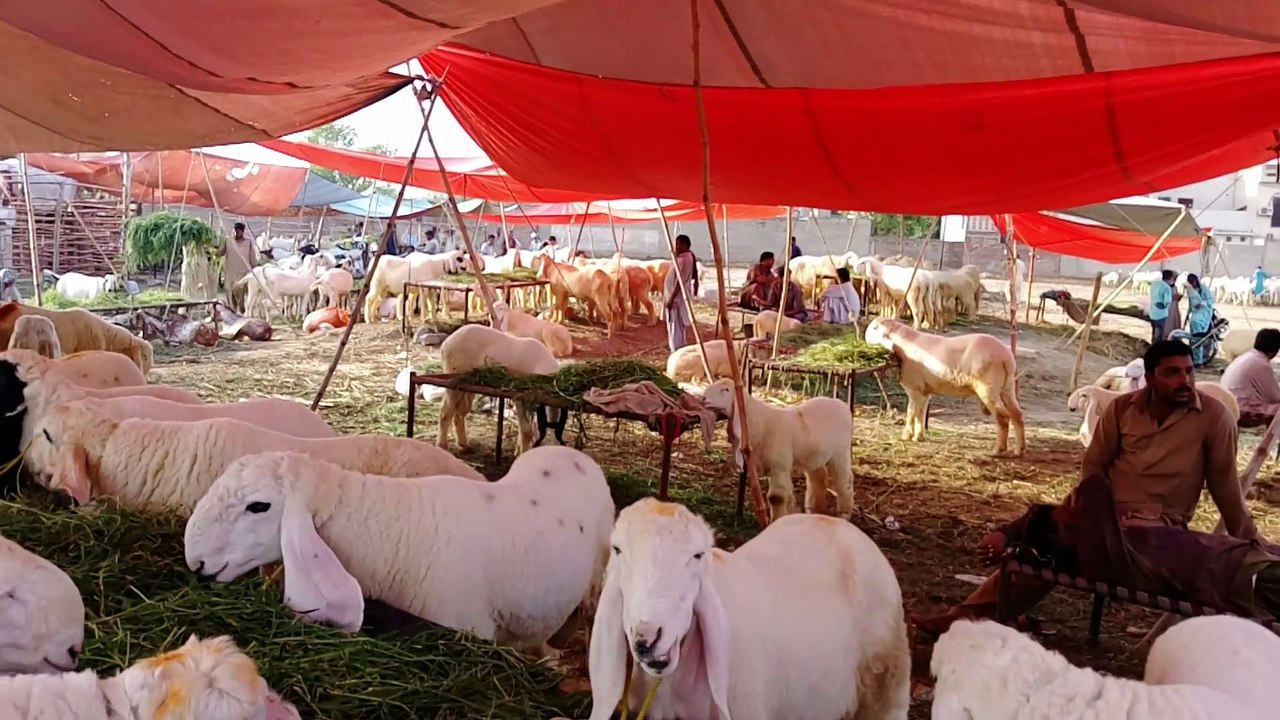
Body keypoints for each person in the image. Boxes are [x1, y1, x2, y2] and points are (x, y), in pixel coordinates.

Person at [912, 341, 1280, 636]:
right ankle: (967, 616)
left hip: (1156, 530)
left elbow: (1225, 489)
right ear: (1150, 378)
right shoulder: (1121, 410)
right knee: (1067, 527)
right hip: (1102, 518)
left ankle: (1013, 542)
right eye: (1172, 373)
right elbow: (1093, 471)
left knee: (1056, 541)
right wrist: (1090, 510)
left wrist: (1251, 540)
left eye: (1189, 371)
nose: (1184, 380)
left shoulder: (1214, 417)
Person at [1222, 328, 1280, 426]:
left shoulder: (1248, 356)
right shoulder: (1261, 364)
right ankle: (1272, 436)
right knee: (1277, 410)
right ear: (1274, 351)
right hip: (1241, 409)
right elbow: (1274, 397)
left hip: (1228, 403)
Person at [664, 234, 698, 351]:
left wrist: (672, 298)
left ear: (685, 245)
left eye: (678, 244)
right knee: (674, 326)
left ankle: (676, 349)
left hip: (676, 299)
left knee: (676, 326)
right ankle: (677, 348)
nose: (676, 247)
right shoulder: (682, 258)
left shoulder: (685, 260)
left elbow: (680, 282)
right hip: (673, 297)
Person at [220, 222, 255, 313]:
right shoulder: (228, 241)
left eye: (238, 232)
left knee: (241, 296)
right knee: (230, 295)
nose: (236, 234)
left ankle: (241, 311)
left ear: (242, 232)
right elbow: (220, 252)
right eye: (235, 231)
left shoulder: (248, 242)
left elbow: (253, 258)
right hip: (230, 272)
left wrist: (254, 269)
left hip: (243, 273)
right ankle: (232, 312)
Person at [1184, 273, 1215, 366]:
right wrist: (1187, 314)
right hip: (1195, 315)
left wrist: (1202, 304)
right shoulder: (1190, 290)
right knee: (1194, 338)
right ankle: (1194, 359)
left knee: (1199, 338)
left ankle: (1198, 360)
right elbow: (1191, 303)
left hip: (1204, 314)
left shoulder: (1204, 289)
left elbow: (1212, 300)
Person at [1147, 270, 1175, 344]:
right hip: (1161, 314)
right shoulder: (1167, 288)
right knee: (1160, 335)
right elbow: (1167, 302)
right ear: (1171, 278)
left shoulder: (1154, 284)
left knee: (1154, 332)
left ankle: (1152, 345)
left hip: (1152, 312)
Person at [0, 198, 14, 268]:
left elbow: (12, 222)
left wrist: (4, 222)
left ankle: (7, 267)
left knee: (7, 251)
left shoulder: (11, 210)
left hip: (6, 232)